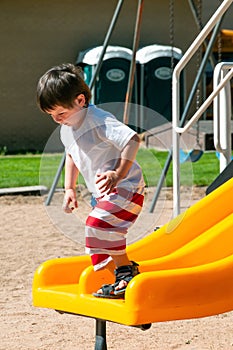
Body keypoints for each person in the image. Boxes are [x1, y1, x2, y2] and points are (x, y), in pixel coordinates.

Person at [37, 63, 145, 298]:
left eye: (60, 113)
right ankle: (122, 275)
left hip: (126, 189)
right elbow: (71, 155)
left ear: (80, 100)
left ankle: (126, 274)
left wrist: (118, 173)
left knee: (96, 226)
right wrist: (69, 188)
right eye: (51, 116)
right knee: (98, 241)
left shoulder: (98, 119)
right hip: (102, 195)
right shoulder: (67, 129)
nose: (57, 120)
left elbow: (132, 139)